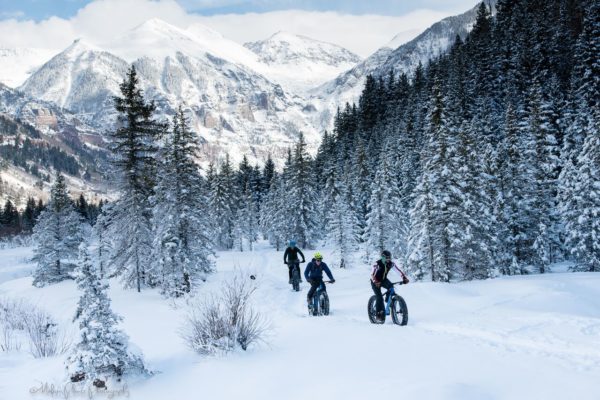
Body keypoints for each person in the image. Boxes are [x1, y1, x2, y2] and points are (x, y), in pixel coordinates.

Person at [371, 250, 409, 321]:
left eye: (389, 258)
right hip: (375, 281)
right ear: (382, 257)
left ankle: (390, 301)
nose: (388, 259)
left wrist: (404, 277)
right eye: (386, 258)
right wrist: (375, 281)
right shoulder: (377, 264)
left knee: (391, 287)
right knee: (379, 297)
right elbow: (372, 274)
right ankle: (378, 314)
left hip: (384, 280)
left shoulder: (391, 264)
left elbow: (398, 271)